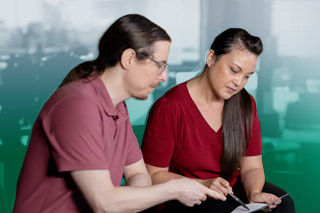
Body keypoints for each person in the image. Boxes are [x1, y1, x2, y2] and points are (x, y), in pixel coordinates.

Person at [13, 14, 226, 213]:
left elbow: (138, 174)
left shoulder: (118, 108)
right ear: (129, 58)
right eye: (160, 65)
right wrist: (175, 189)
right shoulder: (77, 105)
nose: (164, 77)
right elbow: (103, 202)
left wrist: (136, 199)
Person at [142, 28, 296, 213]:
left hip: (228, 190)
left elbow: (251, 167)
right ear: (211, 58)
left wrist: (254, 193)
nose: (238, 82)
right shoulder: (169, 106)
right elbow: (153, 175)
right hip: (186, 194)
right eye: (234, 70)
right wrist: (202, 184)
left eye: (247, 76)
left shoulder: (245, 104)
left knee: (283, 205)